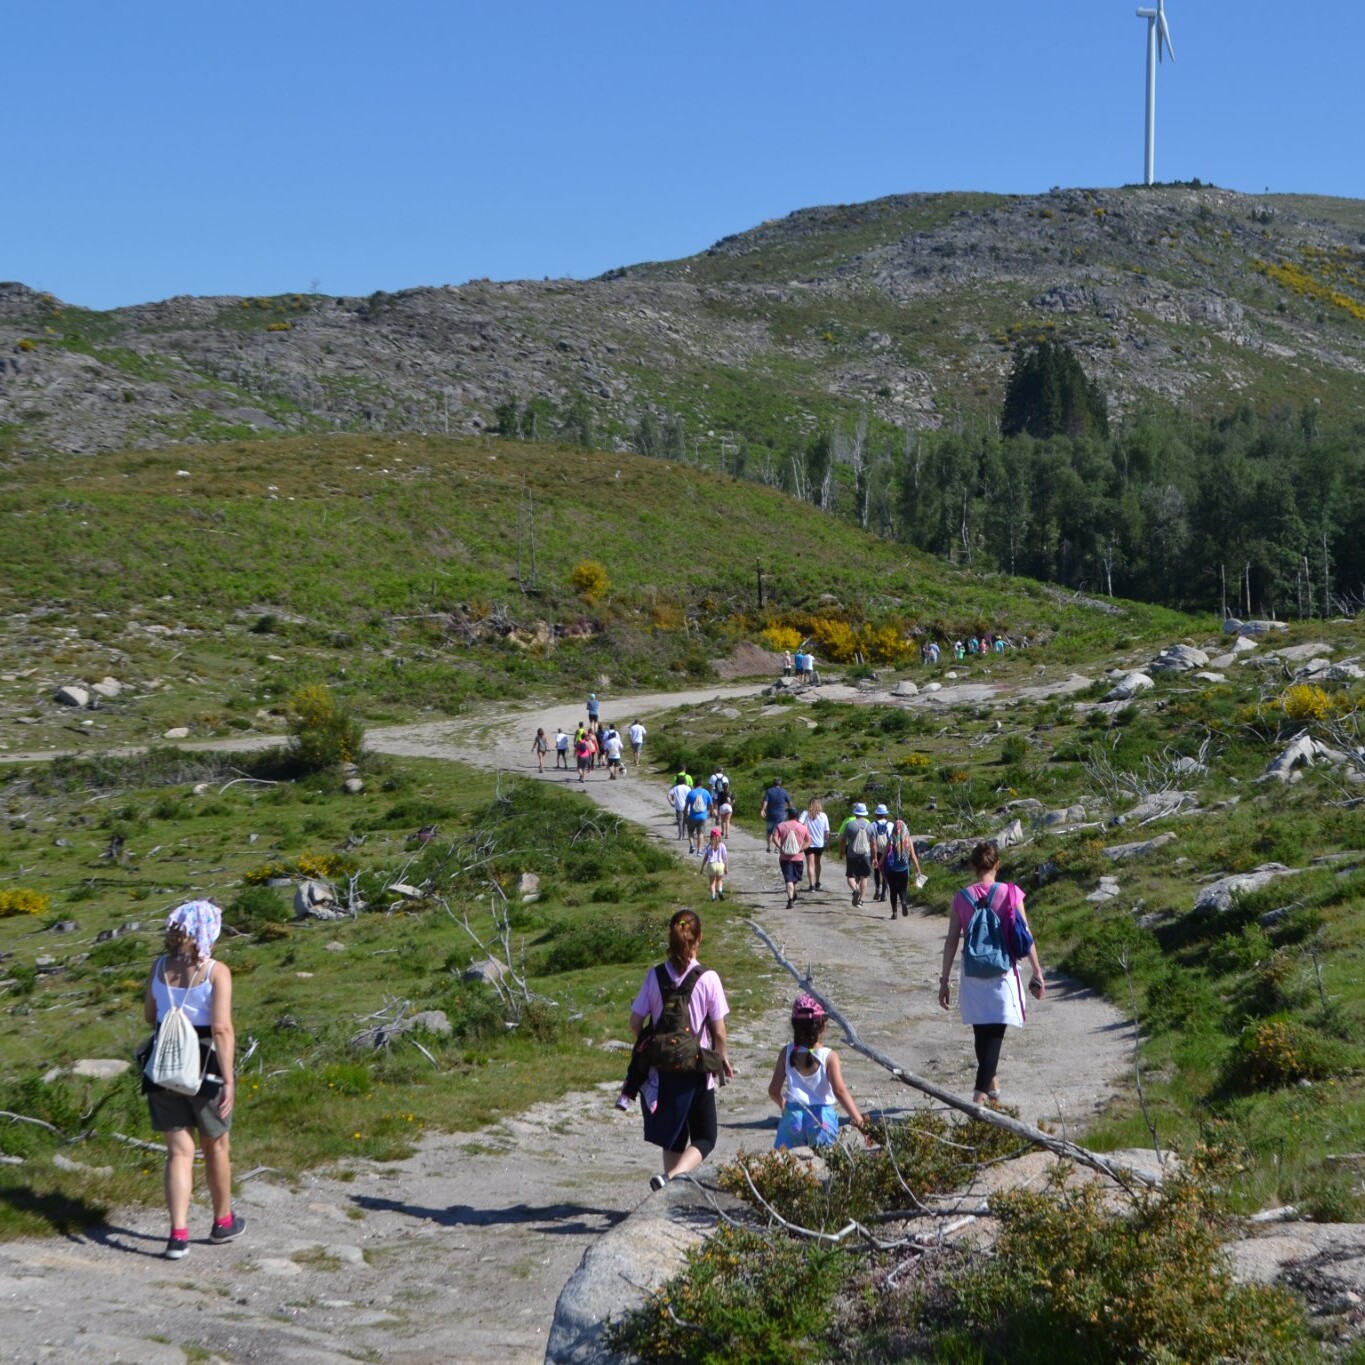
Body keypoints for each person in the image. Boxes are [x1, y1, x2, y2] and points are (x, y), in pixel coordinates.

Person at [142, 900, 243, 1259]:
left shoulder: (158, 967)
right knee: (216, 1145)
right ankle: (222, 1222)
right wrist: (229, 1080)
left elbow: (150, 1016)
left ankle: (177, 1236)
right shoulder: (216, 972)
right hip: (205, 1065)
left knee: (178, 1153)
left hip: (163, 1065)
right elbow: (222, 1028)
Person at [628, 909, 733, 1189]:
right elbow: (719, 1031)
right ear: (699, 938)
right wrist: (721, 1058)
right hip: (695, 1067)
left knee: (674, 1138)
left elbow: (635, 1023)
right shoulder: (708, 978)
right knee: (705, 1137)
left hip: (662, 1070)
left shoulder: (655, 975)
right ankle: (670, 1178)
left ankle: (668, 1187)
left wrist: (655, 1044)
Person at [938, 842, 1045, 1106]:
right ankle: (978, 1100)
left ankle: (992, 1087)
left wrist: (944, 981)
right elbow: (1026, 935)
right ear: (997, 864)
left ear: (972, 866)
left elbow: (951, 942)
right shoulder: (1011, 893)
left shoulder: (961, 898)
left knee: (981, 1034)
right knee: (995, 1038)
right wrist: (1037, 972)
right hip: (1002, 974)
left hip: (972, 974)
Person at [769, 996, 867, 1150]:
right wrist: (860, 1121)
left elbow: (773, 1090)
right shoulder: (829, 1056)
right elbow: (840, 1091)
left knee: (788, 1160)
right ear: (822, 1026)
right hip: (822, 1119)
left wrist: (784, 1105)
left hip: (793, 1117)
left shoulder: (786, 1052)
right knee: (824, 1160)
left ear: (794, 1025)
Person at [881, 810, 926, 921]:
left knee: (893, 890)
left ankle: (894, 913)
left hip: (891, 869)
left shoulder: (891, 840)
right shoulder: (908, 840)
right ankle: (904, 902)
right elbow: (913, 856)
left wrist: (879, 864)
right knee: (903, 888)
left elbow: (884, 855)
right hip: (903, 869)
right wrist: (918, 869)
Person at [771, 804, 811, 908]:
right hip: (798, 858)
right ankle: (792, 896)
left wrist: (780, 847)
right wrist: (801, 849)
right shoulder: (803, 828)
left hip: (785, 858)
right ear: (797, 816)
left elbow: (774, 838)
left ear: (788, 815)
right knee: (794, 879)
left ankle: (790, 899)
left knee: (788, 879)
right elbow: (808, 841)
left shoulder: (781, 826)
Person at [839, 802, 875, 908]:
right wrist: (874, 857)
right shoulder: (870, 826)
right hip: (866, 854)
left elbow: (843, 840)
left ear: (855, 813)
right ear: (865, 813)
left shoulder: (850, 825)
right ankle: (861, 900)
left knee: (850, 876)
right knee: (864, 877)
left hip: (852, 854)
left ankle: (855, 890)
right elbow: (873, 844)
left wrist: (841, 851)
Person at [800, 798, 829, 891]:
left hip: (808, 842)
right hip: (819, 843)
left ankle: (811, 885)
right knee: (817, 863)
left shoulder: (805, 814)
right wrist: (827, 842)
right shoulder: (823, 815)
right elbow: (827, 831)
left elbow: (799, 825)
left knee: (810, 864)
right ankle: (817, 882)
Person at [870, 804, 894, 902]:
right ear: (885, 814)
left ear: (877, 814)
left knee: (876, 870)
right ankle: (884, 892)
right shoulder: (890, 824)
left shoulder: (873, 825)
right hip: (887, 851)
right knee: (886, 871)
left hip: (877, 850)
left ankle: (877, 889)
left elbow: (871, 840)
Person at [760, 776, 792, 847]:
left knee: (769, 831)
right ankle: (777, 847)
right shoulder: (784, 792)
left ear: (773, 783)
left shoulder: (769, 791)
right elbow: (790, 803)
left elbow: (765, 801)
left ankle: (769, 847)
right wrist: (788, 809)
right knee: (779, 831)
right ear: (780, 784)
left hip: (770, 815)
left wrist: (763, 810)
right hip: (780, 815)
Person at [684, 780, 713, 854]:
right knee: (700, 833)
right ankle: (699, 850)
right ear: (701, 784)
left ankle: (692, 845)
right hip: (703, 816)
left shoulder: (691, 793)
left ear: (694, 784)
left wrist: (685, 816)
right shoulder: (706, 792)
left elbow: (686, 806)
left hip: (692, 816)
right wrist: (711, 812)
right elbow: (711, 804)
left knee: (690, 831)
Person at [701, 828, 728, 900]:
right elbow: (725, 858)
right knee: (720, 880)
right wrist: (726, 867)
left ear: (711, 837)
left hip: (711, 864)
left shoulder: (709, 846)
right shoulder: (722, 845)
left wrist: (702, 867)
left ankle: (713, 896)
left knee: (712, 883)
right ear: (719, 836)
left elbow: (705, 858)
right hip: (720, 864)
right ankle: (720, 890)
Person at [667, 773, 692, 840]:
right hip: (687, 807)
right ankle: (686, 834)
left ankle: (681, 836)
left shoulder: (675, 788)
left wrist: (671, 803)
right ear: (684, 781)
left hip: (679, 807)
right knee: (686, 821)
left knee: (680, 821)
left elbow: (668, 795)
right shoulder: (688, 788)